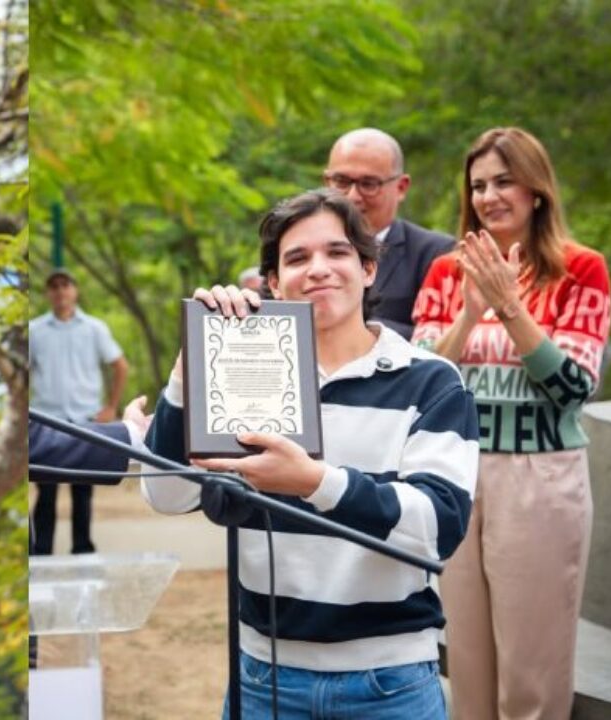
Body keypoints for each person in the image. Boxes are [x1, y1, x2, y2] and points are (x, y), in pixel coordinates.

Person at [143, 189, 479, 719]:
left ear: (369, 269)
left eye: (337, 252)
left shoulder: (431, 380)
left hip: (390, 684)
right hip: (264, 677)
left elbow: (440, 526)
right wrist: (192, 365)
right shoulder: (244, 375)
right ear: (273, 282)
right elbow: (166, 493)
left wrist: (313, 481)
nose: (318, 269)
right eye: (296, 258)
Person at [412, 127, 611, 719]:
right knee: (467, 661)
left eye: (504, 181)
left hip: (539, 477)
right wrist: (471, 314)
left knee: (532, 665)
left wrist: (511, 307)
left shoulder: (581, 269)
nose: (489, 196)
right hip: (456, 472)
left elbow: (571, 390)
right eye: (478, 185)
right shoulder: (447, 272)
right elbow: (424, 380)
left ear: (536, 189)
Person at [29, 267, 128, 555]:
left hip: (85, 419)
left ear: (75, 290)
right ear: (48, 293)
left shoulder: (94, 328)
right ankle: (41, 550)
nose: (60, 291)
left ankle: (82, 549)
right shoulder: (35, 330)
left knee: (83, 491)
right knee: (46, 492)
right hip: (48, 419)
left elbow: (119, 365)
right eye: (54, 286)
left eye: (65, 285)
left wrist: (111, 407)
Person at [324, 128, 454, 340]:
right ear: (326, 182)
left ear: (401, 187)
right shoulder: (297, 249)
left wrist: (355, 327)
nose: (353, 196)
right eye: (342, 181)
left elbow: (440, 339)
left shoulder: (434, 253)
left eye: (368, 184)